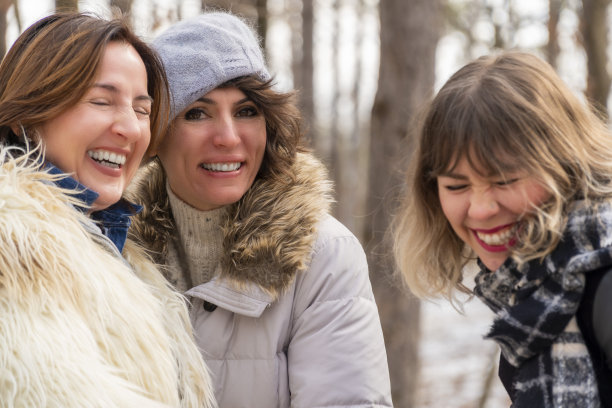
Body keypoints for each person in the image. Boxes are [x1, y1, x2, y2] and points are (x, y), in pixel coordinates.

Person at [127, 11, 393, 407]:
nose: (229, 137)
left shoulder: (324, 255)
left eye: (247, 111)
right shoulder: (116, 250)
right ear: (158, 133)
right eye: (197, 112)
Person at [0, 12, 215, 407]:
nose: (131, 129)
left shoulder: (121, 246)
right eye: (101, 101)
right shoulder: (14, 245)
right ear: (25, 116)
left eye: (141, 109)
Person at [393, 50, 612, 407]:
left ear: (564, 163)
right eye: (457, 186)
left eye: (504, 179)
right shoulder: (533, 295)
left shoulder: (601, 281)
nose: (480, 210)